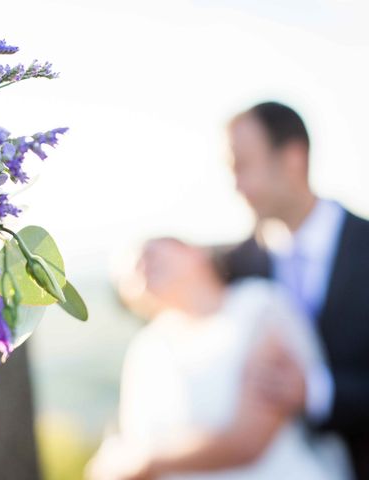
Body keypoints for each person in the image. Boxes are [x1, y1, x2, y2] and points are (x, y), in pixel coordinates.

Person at [86, 238, 349, 480]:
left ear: (196, 251)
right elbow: (132, 441)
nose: (137, 266)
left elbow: (249, 441)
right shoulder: (145, 349)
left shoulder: (259, 306)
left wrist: (146, 461)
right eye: (124, 275)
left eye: (148, 251)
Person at [221, 102, 369, 480]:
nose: (235, 186)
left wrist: (317, 393)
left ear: (292, 159)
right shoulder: (236, 266)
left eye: (242, 166)